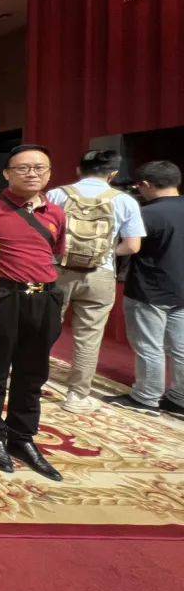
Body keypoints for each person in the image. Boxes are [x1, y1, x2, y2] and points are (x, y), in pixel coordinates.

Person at [0, 144, 67, 481]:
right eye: (24, 168)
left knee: (33, 372)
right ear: (7, 173)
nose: (32, 174)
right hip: (4, 298)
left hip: (43, 298)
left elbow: (56, 253)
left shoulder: (56, 213)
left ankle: (22, 436)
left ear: (49, 173)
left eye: (39, 168)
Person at [46, 150, 144, 414]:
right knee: (88, 336)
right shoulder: (125, 201)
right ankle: (77, 396)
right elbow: (132, 246)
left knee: (45, 327)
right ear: (113, 173)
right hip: (100, 274)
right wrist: (105, 252)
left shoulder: (56, 195)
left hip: (58, 270)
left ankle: (32, 381)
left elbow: (44, 235)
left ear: (79, 169)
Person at [105, 161, 184, 419]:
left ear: (147, 185)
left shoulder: (147, 214)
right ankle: (180, 399)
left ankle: (146, 397)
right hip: (181, 289)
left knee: (149, 346)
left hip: (150, 289)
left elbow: (130, 246)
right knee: (181, 348)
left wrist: (105, 253)